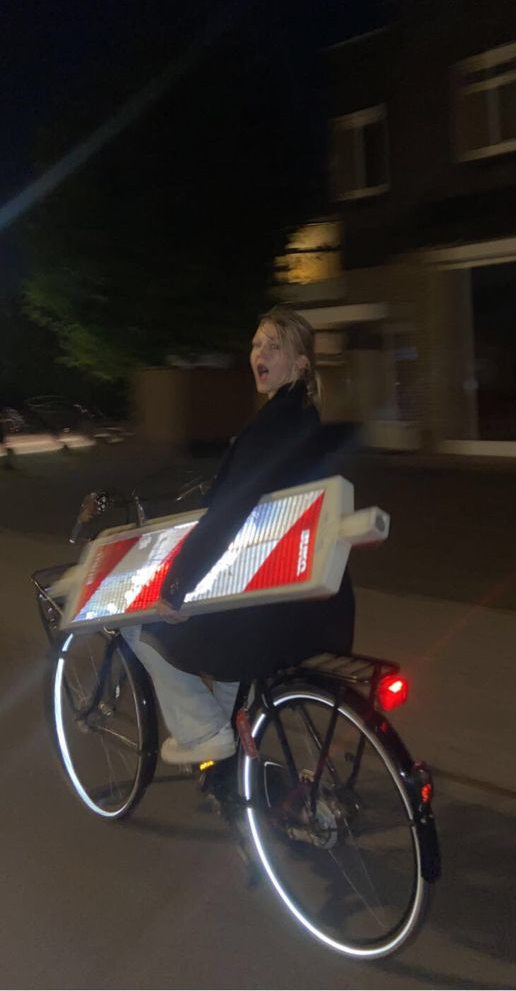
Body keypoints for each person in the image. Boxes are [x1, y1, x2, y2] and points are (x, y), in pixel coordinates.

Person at [126, 306, 355, 765]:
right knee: (224, 643)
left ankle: (205, 732)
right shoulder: (301, 419)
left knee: (140, 626)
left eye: (274, 345)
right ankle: (232, 775)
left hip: (271, 613)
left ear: (301, 363)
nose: (260, 354)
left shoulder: (275, 425)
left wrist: (179, 582)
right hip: (310, 601)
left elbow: (231, 510)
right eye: (256, 344)